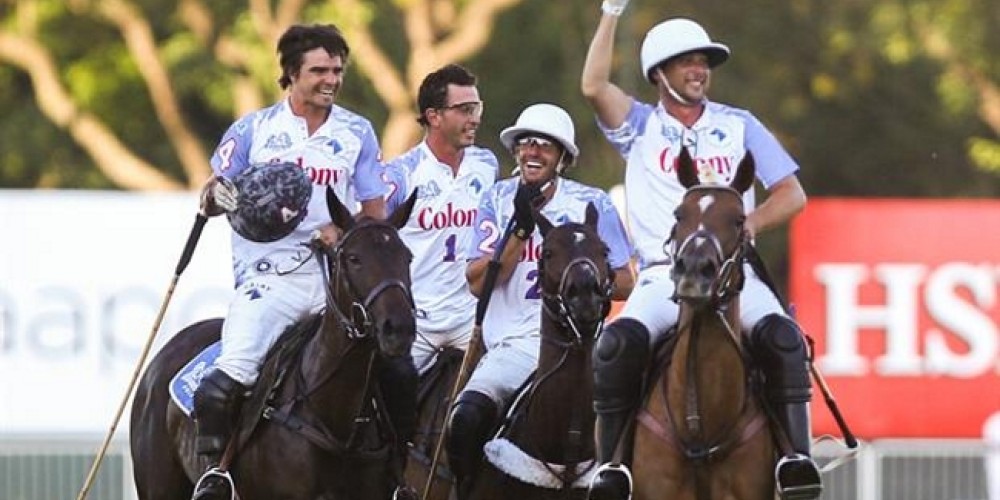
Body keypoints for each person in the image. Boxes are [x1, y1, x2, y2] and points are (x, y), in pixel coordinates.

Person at [580, 4, 819, 500]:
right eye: (686, 62)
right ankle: (613, 467)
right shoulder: (639, 125)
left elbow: (792, 194)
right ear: (659, 75)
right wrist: (610, 13)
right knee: (615, 347)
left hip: (733, 275)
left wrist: (750, 223)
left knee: (784, 339)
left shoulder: (739, 125)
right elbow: (593, 86)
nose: (699, 71)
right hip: (664, 278)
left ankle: (795, 459)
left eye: (704, 62)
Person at [193, 24, 400, 500]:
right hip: (269, 280)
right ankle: (217, 474)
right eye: (319, 71)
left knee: (394, 372)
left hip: (337, 284)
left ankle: (396, 473)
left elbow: (375, 217)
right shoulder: (253, 129)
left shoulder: (357, 133)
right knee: (225, 383)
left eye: (337, 70)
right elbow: (212, 190)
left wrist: (343, 232)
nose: (331, 79)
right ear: (290, 74)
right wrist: (219, 195)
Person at [445, 103, 635, 499]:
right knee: (464, 418)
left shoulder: (593, 202)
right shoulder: (496, 199)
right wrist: (519, 230)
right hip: (512, 345)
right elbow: (478, 282)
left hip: (581, 347)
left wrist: (586, 277)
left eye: (545, 146)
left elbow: (625, 282)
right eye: (526, 143)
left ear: (562, 157)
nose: (533, 151)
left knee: (635, 421)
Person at [382, 64, 498, 465]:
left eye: (477, 106)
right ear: (434, 116)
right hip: (420, 321)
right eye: (464, 109)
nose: (475, 118)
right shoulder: (399, 175)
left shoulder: (486, 164)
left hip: (473, 318)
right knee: (380, 414)